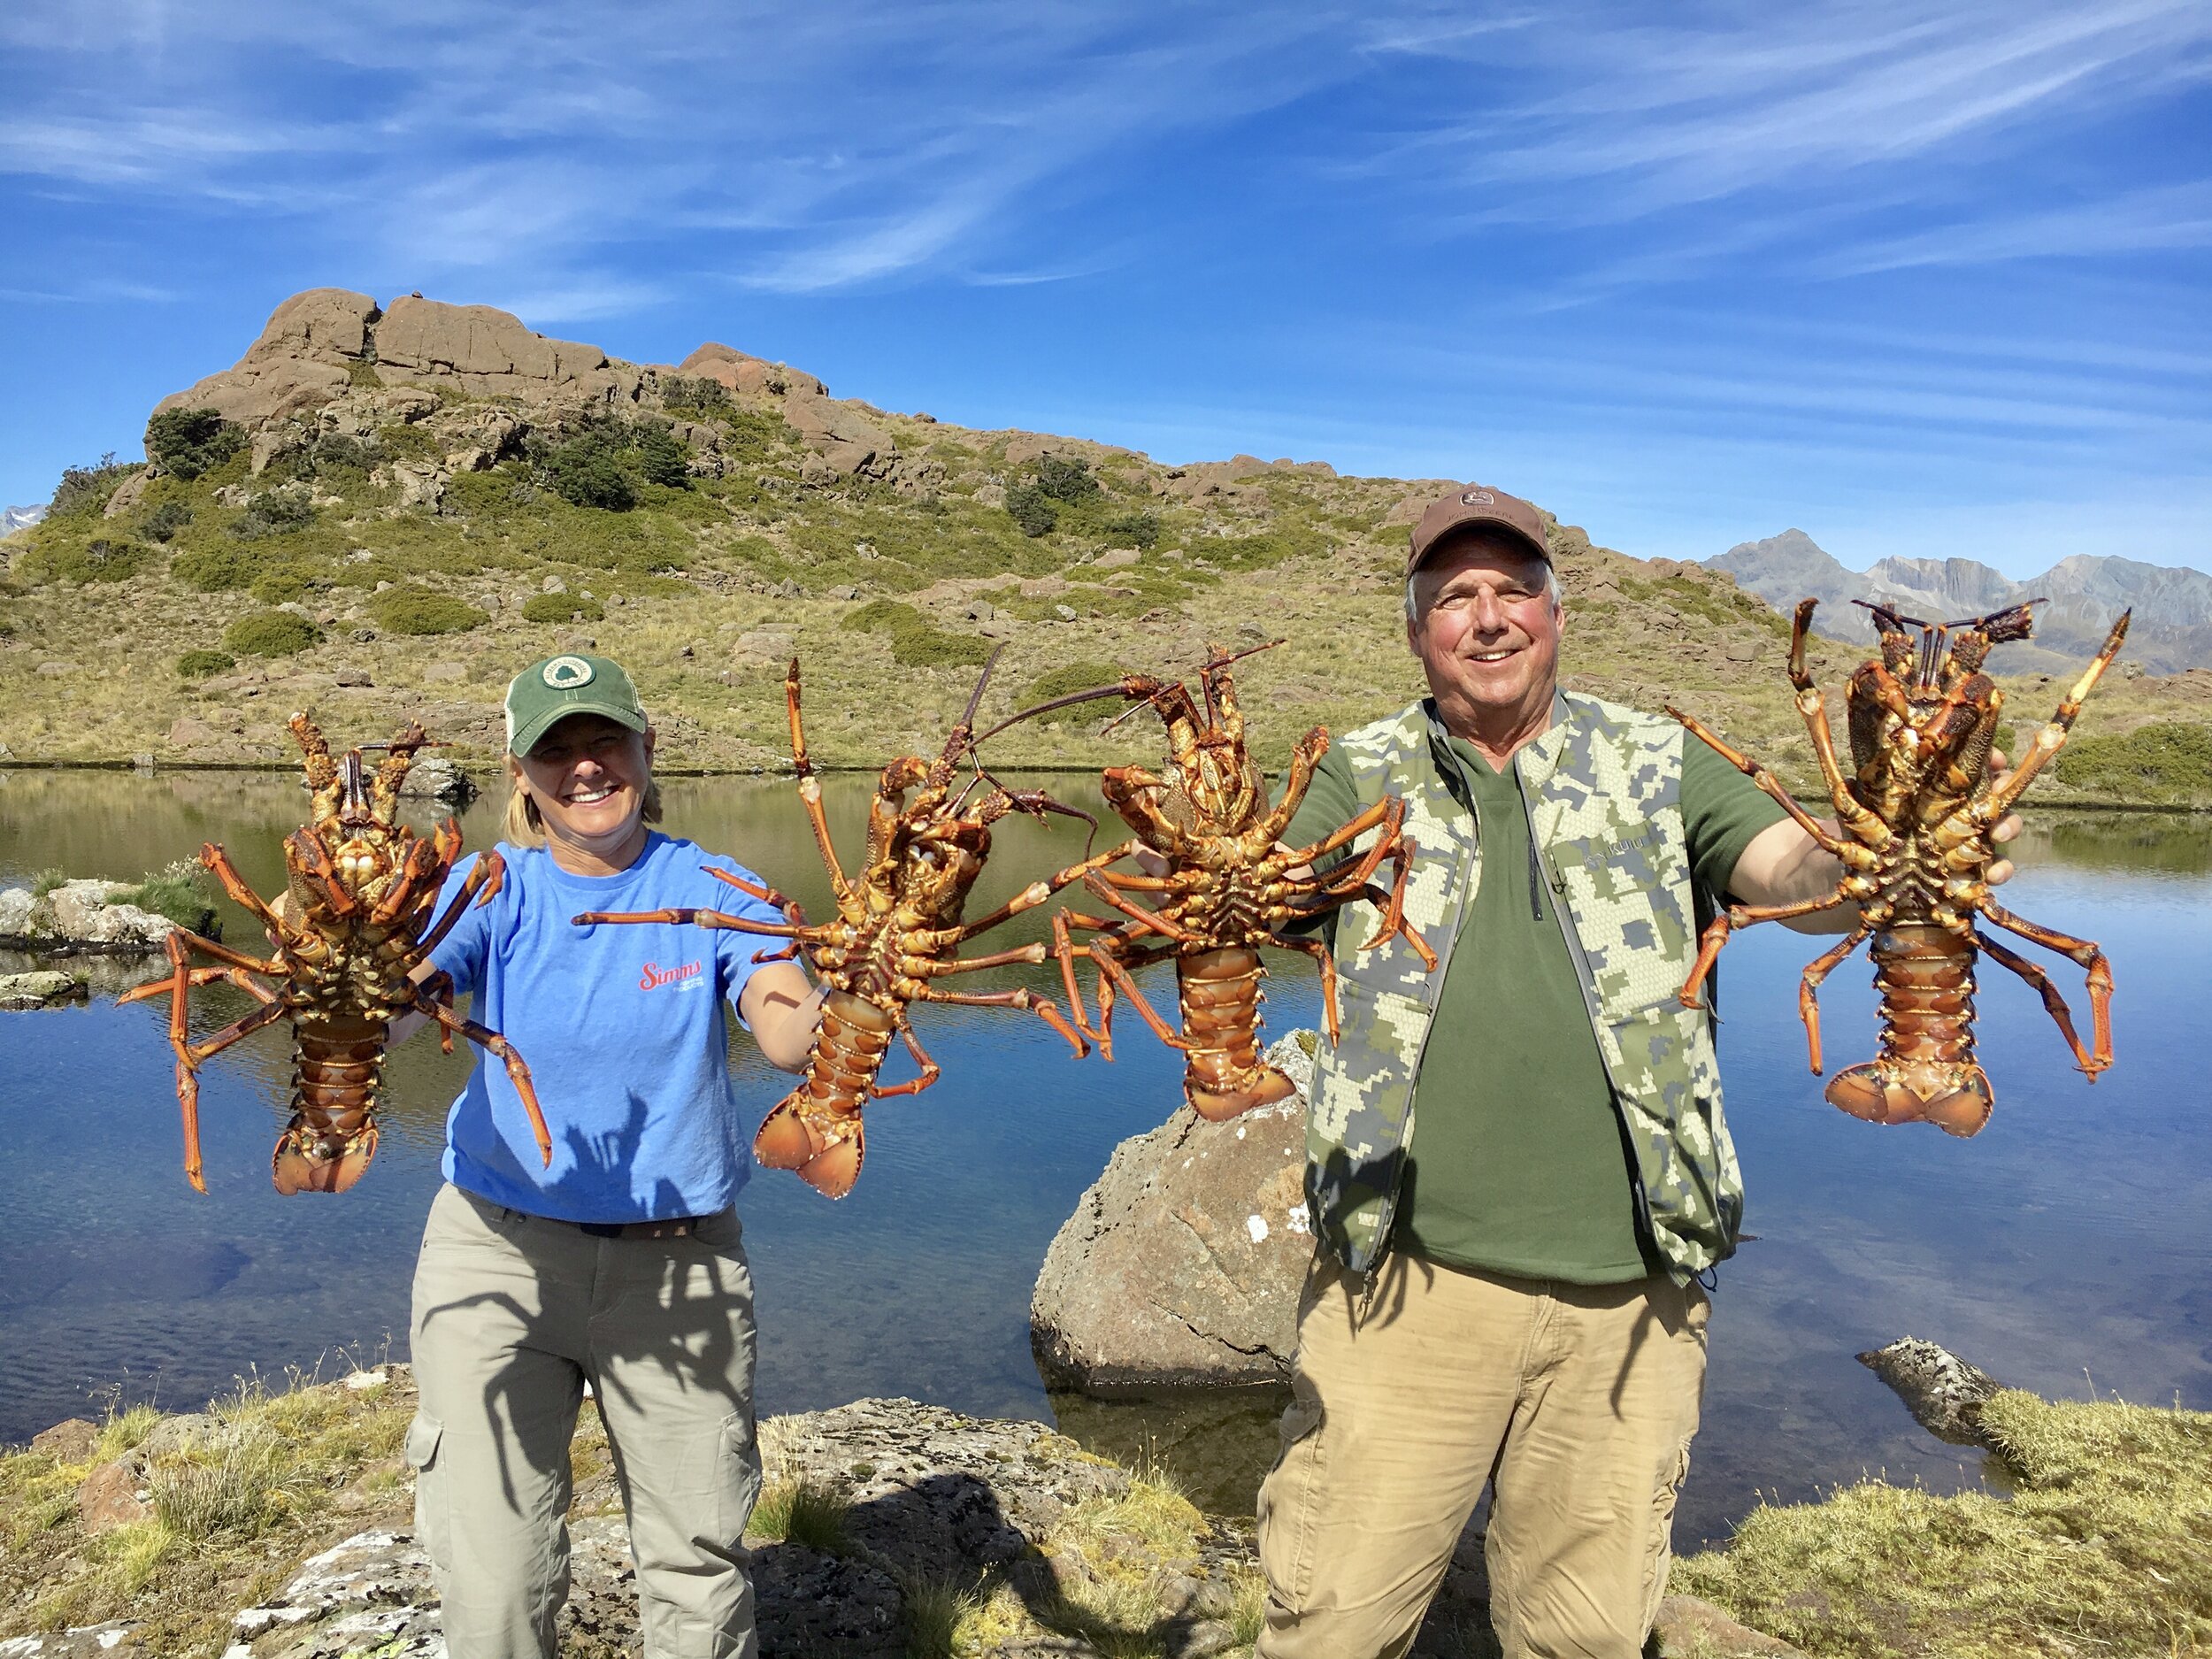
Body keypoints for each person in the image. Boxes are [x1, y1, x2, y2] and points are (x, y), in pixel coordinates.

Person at [1253, 485, 2021, 1658]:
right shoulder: (1356, 769)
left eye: (1516, 589)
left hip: (1633, 1305)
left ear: (1559, 615)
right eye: (1454, 596)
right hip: (1403, 1291)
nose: (1490, 616)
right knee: (1329, 1625)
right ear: (1417, 631)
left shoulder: (1661, 761)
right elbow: (1260, 900)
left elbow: (1792, 871)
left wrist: (1892, 845)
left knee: (1586, 1637)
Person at [402, 651, 822, 1659]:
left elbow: (784, 1029)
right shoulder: (486, 885)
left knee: (697, 1562)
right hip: (495, 1254)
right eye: (556, 750)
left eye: (604, 742)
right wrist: (359, 1000)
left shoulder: (719, 884)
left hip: (676, 1262)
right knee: (493, 1572)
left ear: (646, 749)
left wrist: (850, 998)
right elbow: (409, 1006)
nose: (584, 769)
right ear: (519, 772)